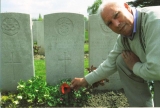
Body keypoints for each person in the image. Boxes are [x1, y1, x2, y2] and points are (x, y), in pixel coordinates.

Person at [70, 0, 160, 107]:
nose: (116, 24)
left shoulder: (154, 20)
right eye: (110, 23)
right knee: (122, 60)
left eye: (117, 15)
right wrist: (85, 80)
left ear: (127, 7)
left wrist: (135, 66)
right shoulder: (123, 39)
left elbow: (157, 70)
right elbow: (110, 64)